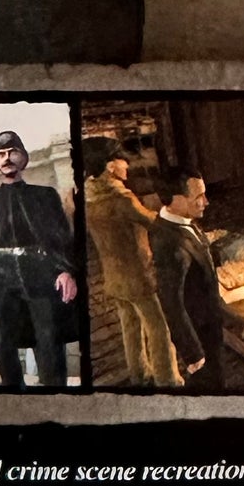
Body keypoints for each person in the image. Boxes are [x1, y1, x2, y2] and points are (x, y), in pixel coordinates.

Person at [0, 129, 77, 391]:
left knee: (49, 342)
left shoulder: (44, 195)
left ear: (23, 158)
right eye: (0, 154)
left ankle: (57, 397)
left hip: (39, 274)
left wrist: (65, 270)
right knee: (3, 344)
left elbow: (61, 236)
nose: (6, 158)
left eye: (12, 152)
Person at [82, 137, 182, 390]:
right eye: (122, 160)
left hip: (113, 277)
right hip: (138, 276)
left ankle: (139, 375)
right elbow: (155, 224)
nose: (126, 165)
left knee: (130, 325)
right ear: (110, 166)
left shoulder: (89, 200)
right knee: (158, 328)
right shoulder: (123, 200)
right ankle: (167, 379)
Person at [150, 172, 225, 390]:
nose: (206, 202)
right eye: (199, 196)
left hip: (207, 322)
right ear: (177, 199)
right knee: (210, 385)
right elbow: (171, 302)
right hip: (199, 332)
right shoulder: (170, 242)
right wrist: (193, 354)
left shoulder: (179, 221)